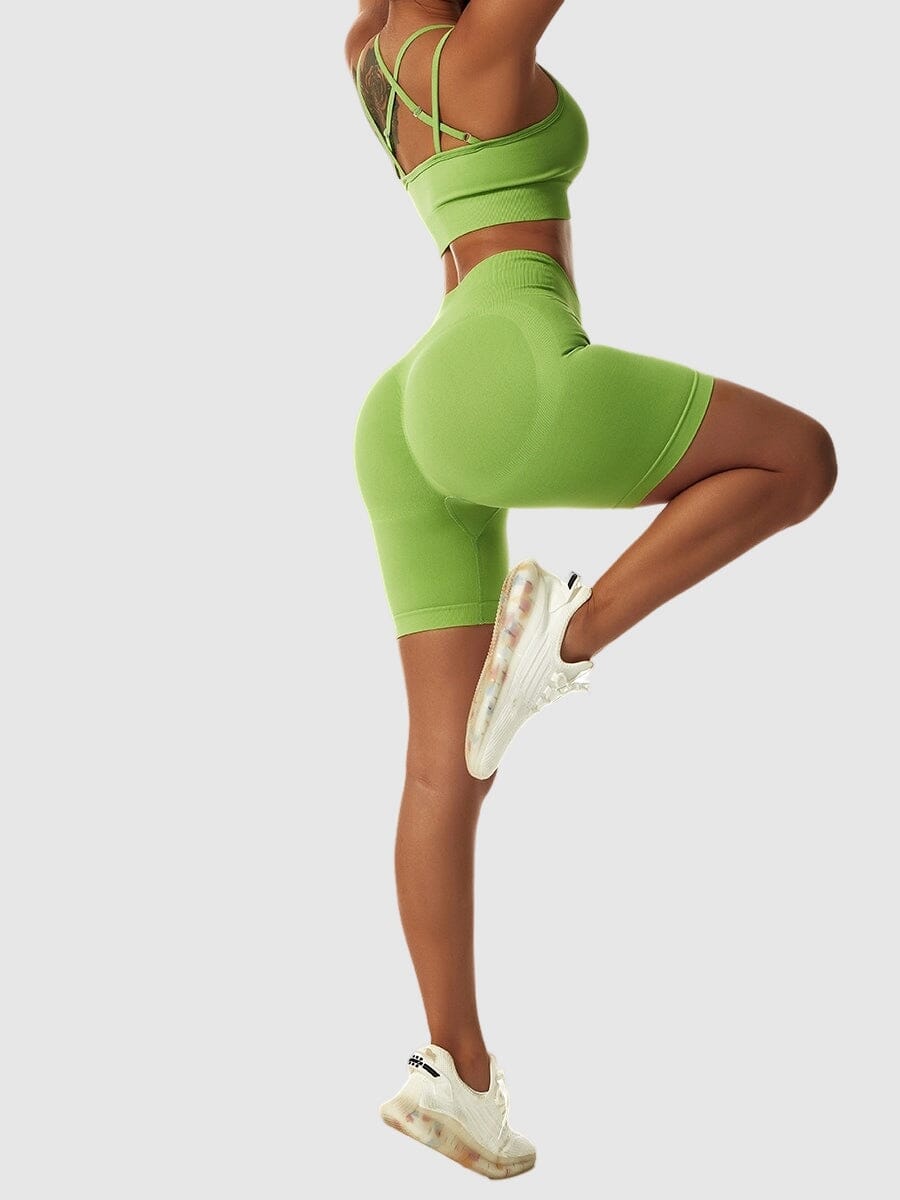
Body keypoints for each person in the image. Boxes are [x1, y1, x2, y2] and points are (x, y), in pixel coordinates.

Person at [344, 0, 837, 1179]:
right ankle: (568, 632)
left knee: (443, 767)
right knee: (798, 459)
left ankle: (457, 1072)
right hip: (499, 365)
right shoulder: (478, 57)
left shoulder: (369, 55)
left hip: (407, 411)